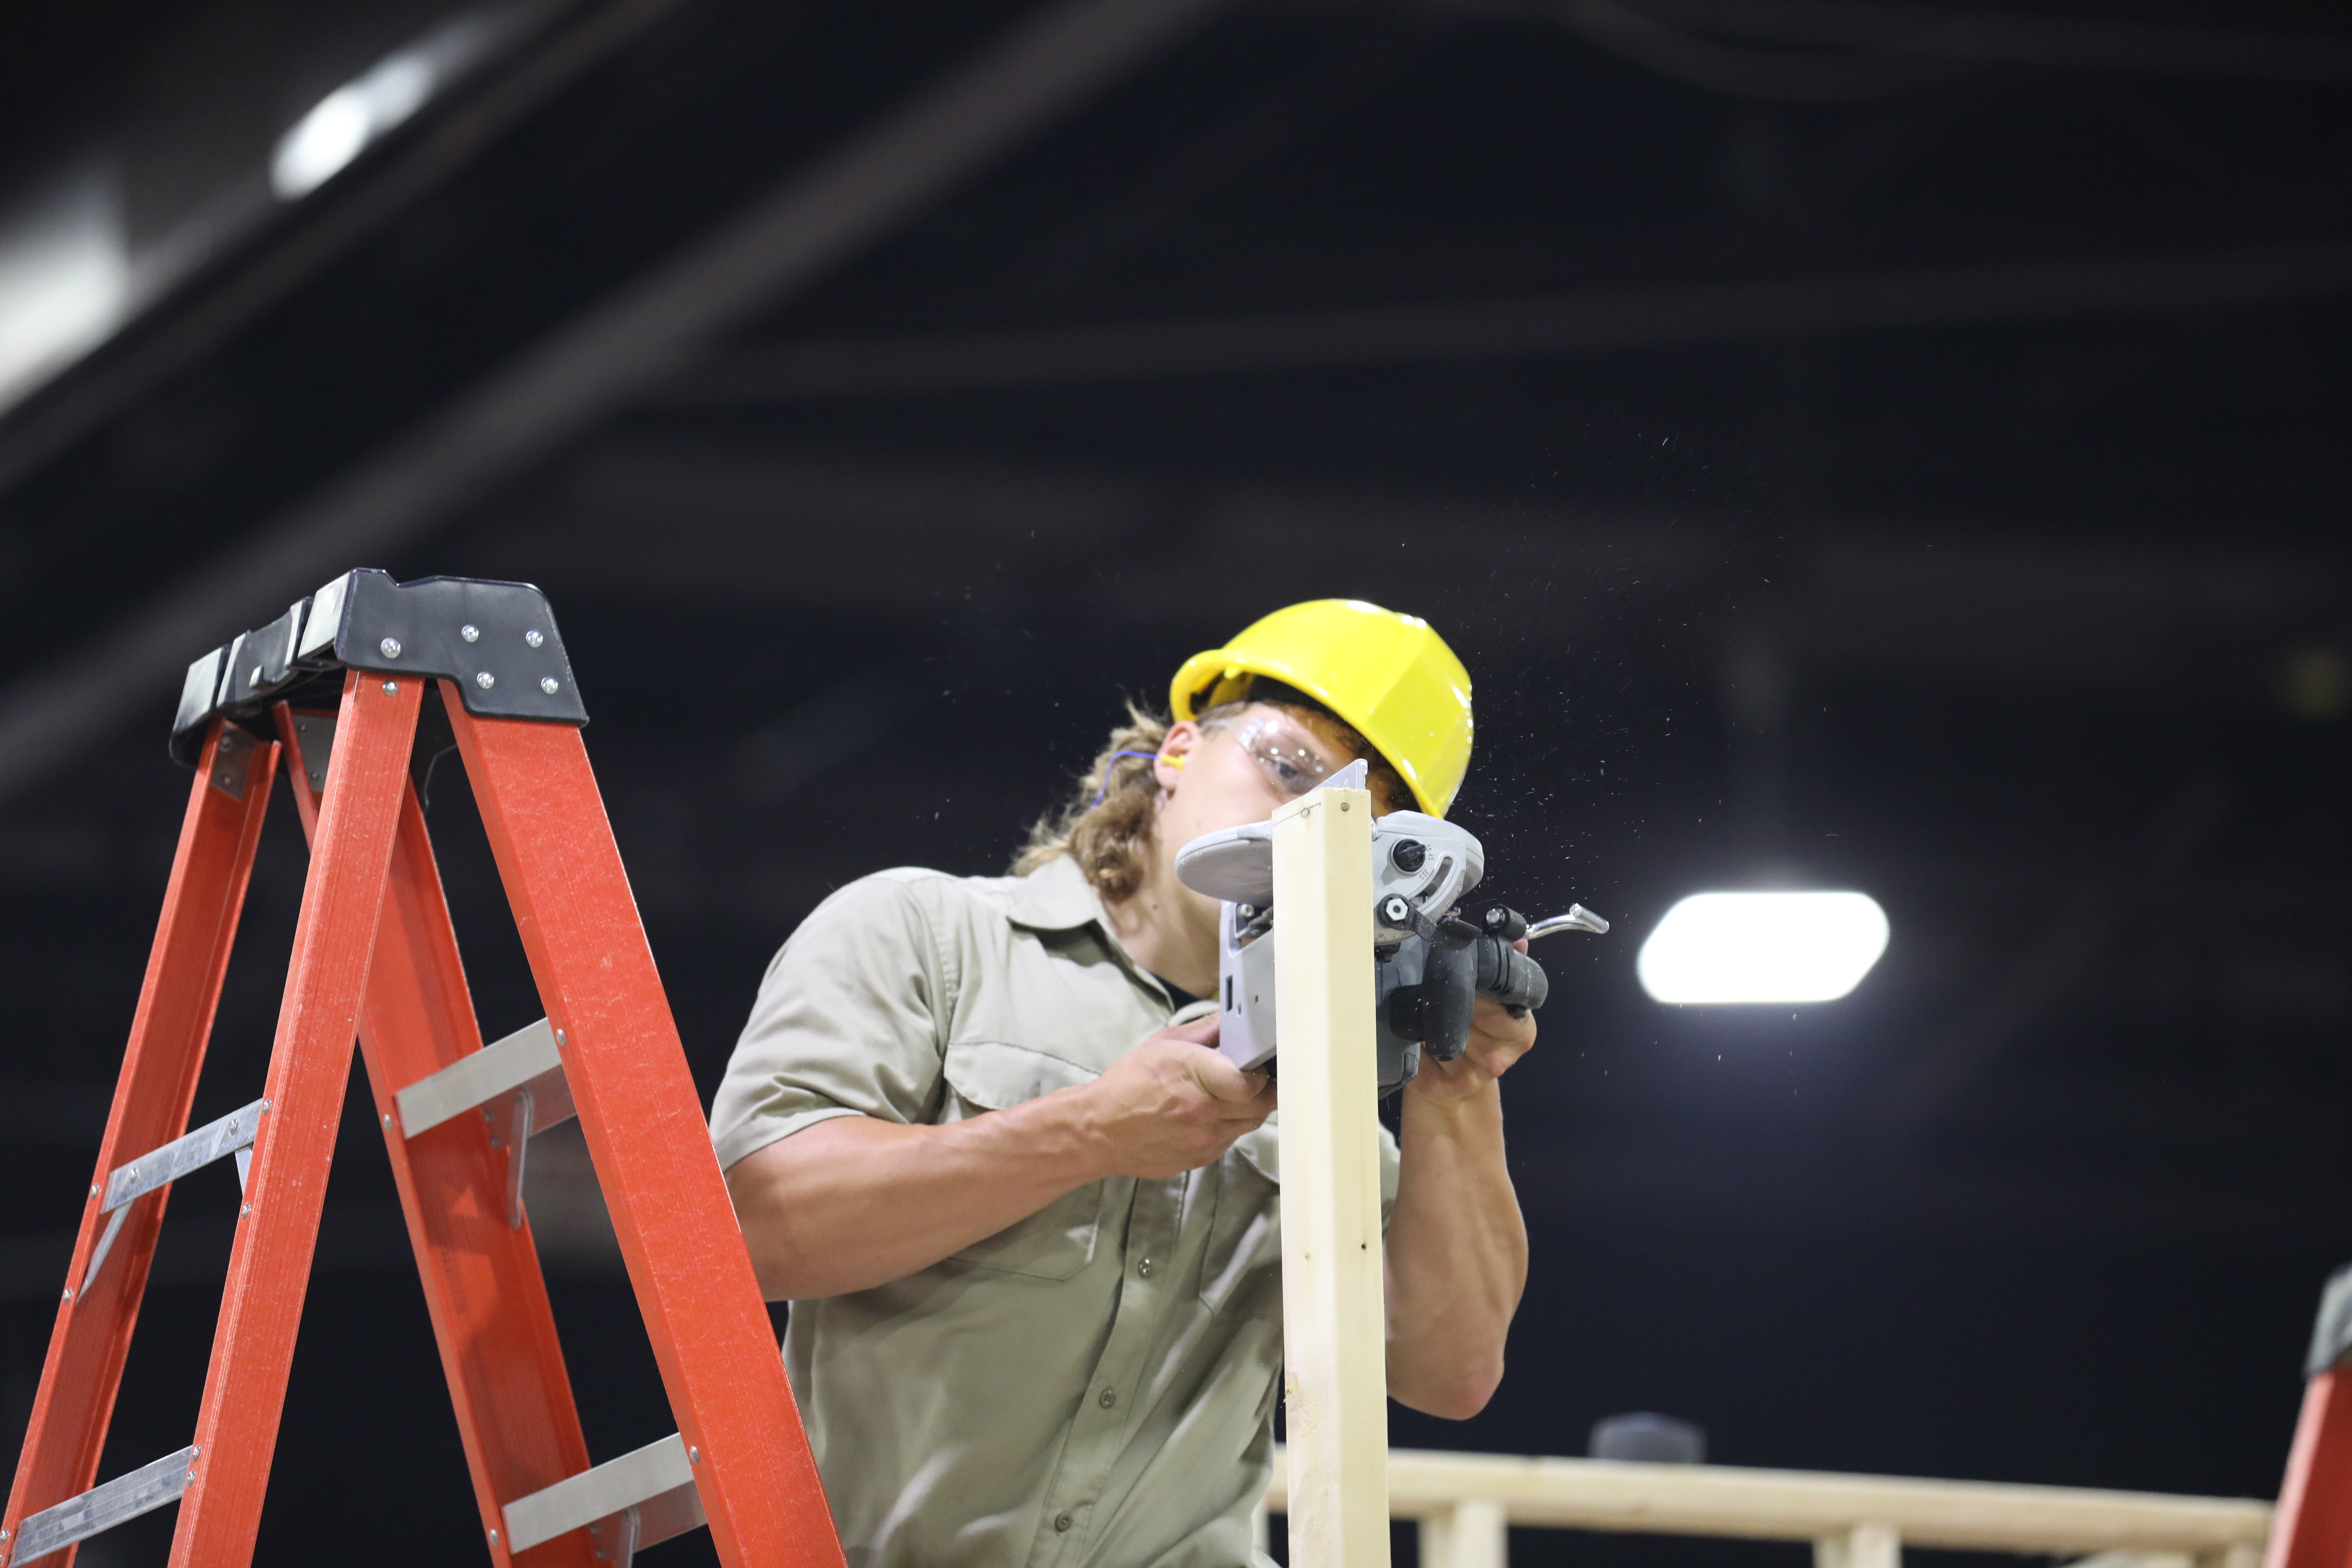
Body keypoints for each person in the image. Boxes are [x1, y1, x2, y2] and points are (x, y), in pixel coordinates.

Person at [711, 600, 1534, 1568]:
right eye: (1289, 767)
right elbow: (751, 1235)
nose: (1308, 821)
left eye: (1362, 825)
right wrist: (1089, 1134)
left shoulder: (1331, 1094)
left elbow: (1451, 1371)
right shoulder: (929, 938)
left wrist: (1458, 1084)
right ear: (1180, 749)